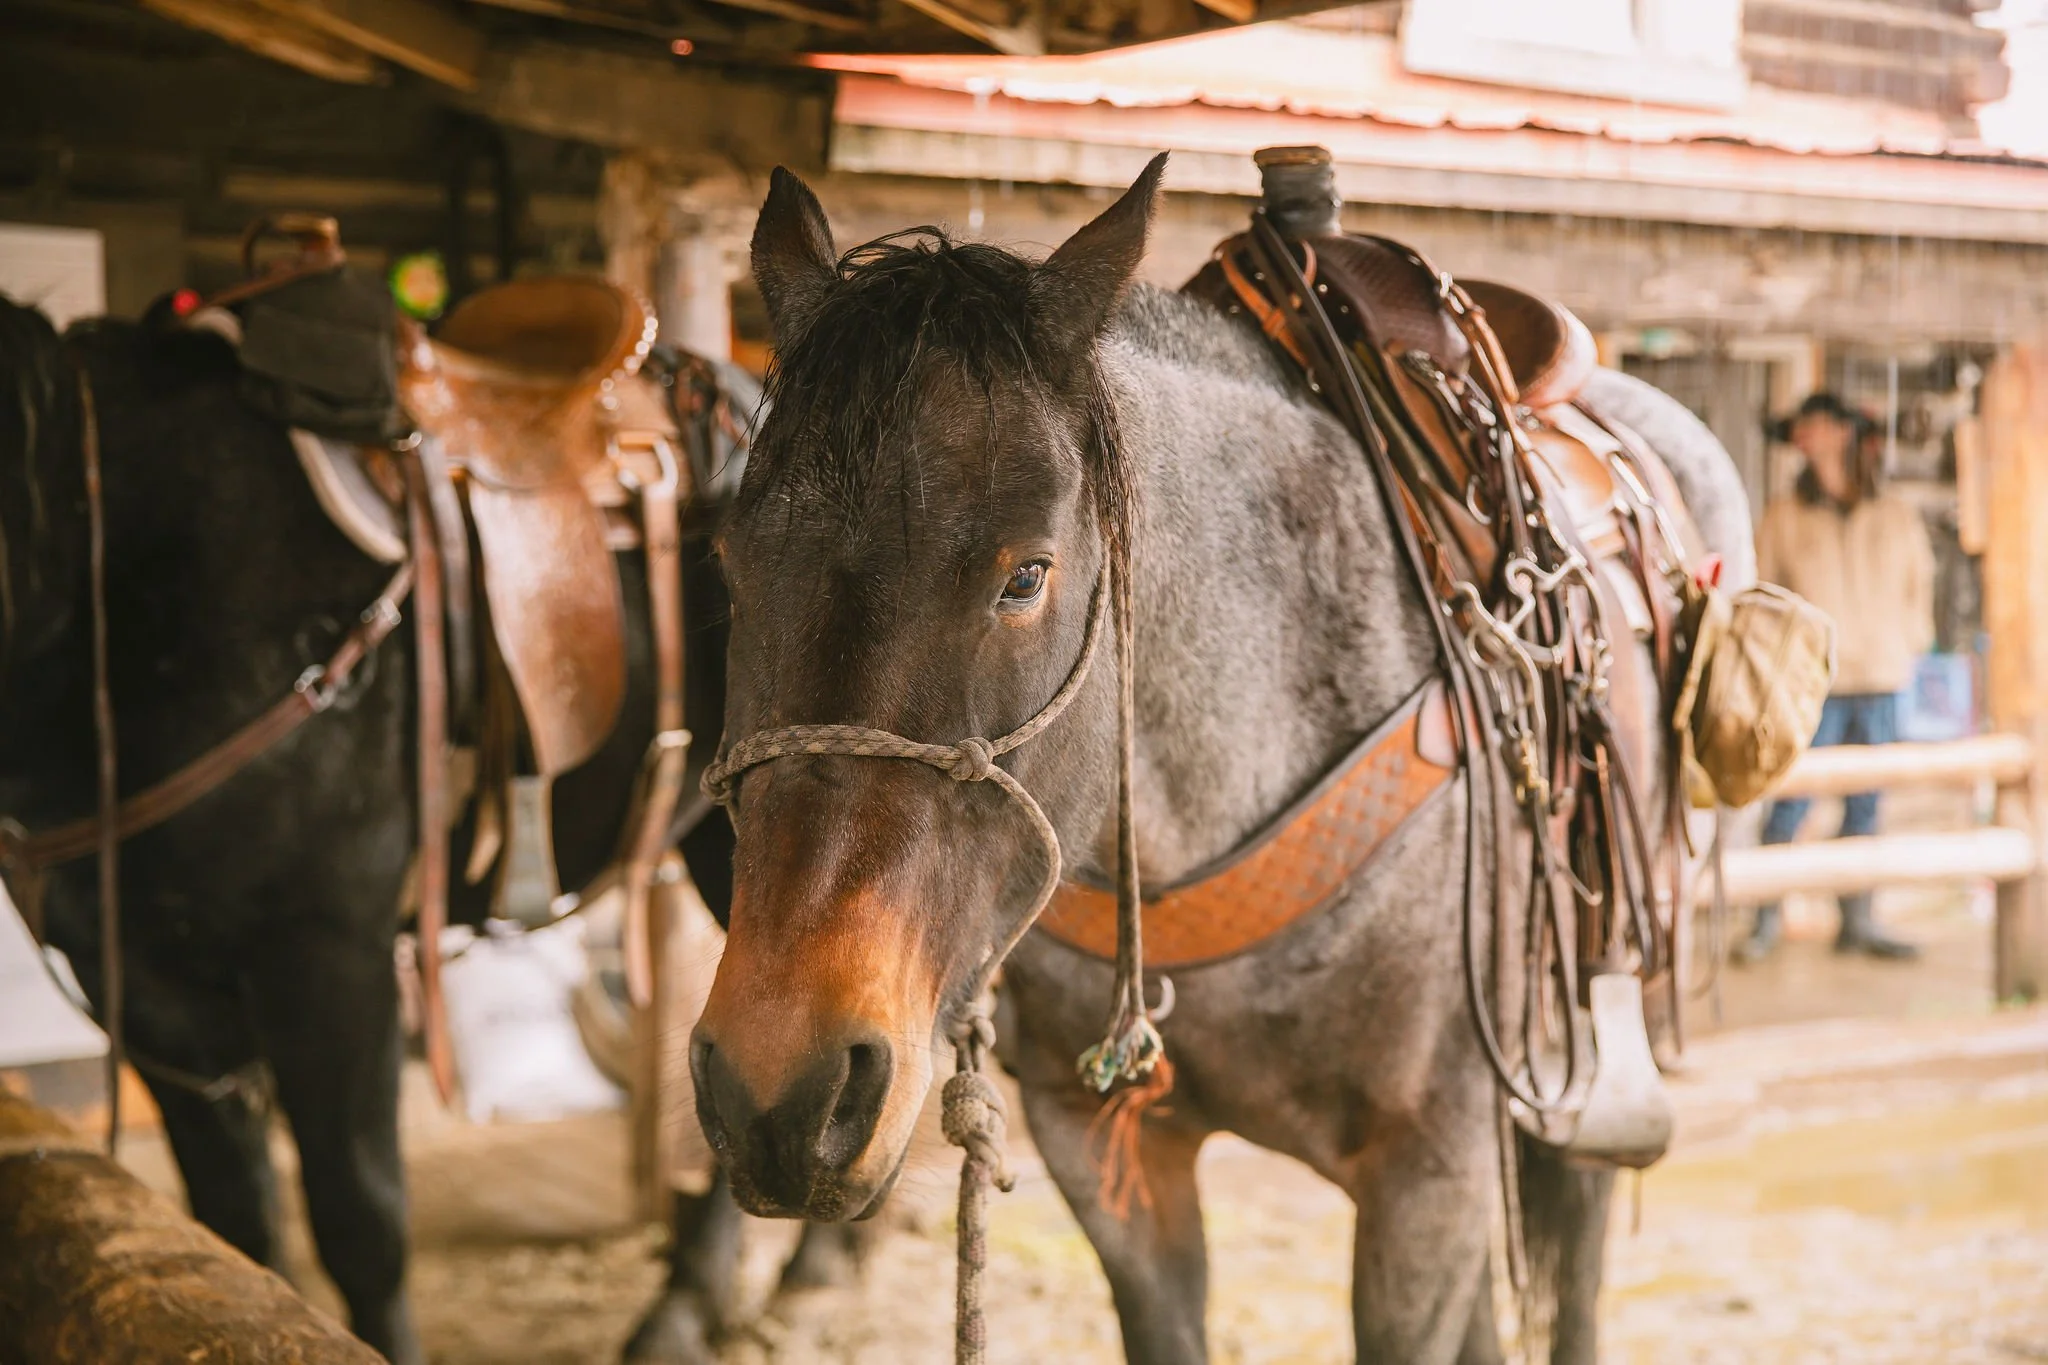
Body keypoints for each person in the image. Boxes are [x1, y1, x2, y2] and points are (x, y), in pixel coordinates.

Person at [1739, 393, 1935, 962]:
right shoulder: (1784, 514)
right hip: (1809, 684)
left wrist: (1909, 641)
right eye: (1801, 426)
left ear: (1845, 432)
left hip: (1881, 676)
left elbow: (1920, 584)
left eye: (1819, 423)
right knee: (1789, 801)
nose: (1808, 434)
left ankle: (1858, 920)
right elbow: (1762, 595)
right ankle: (1765, 917)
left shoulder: (1894, 512)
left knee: (1866, 805)